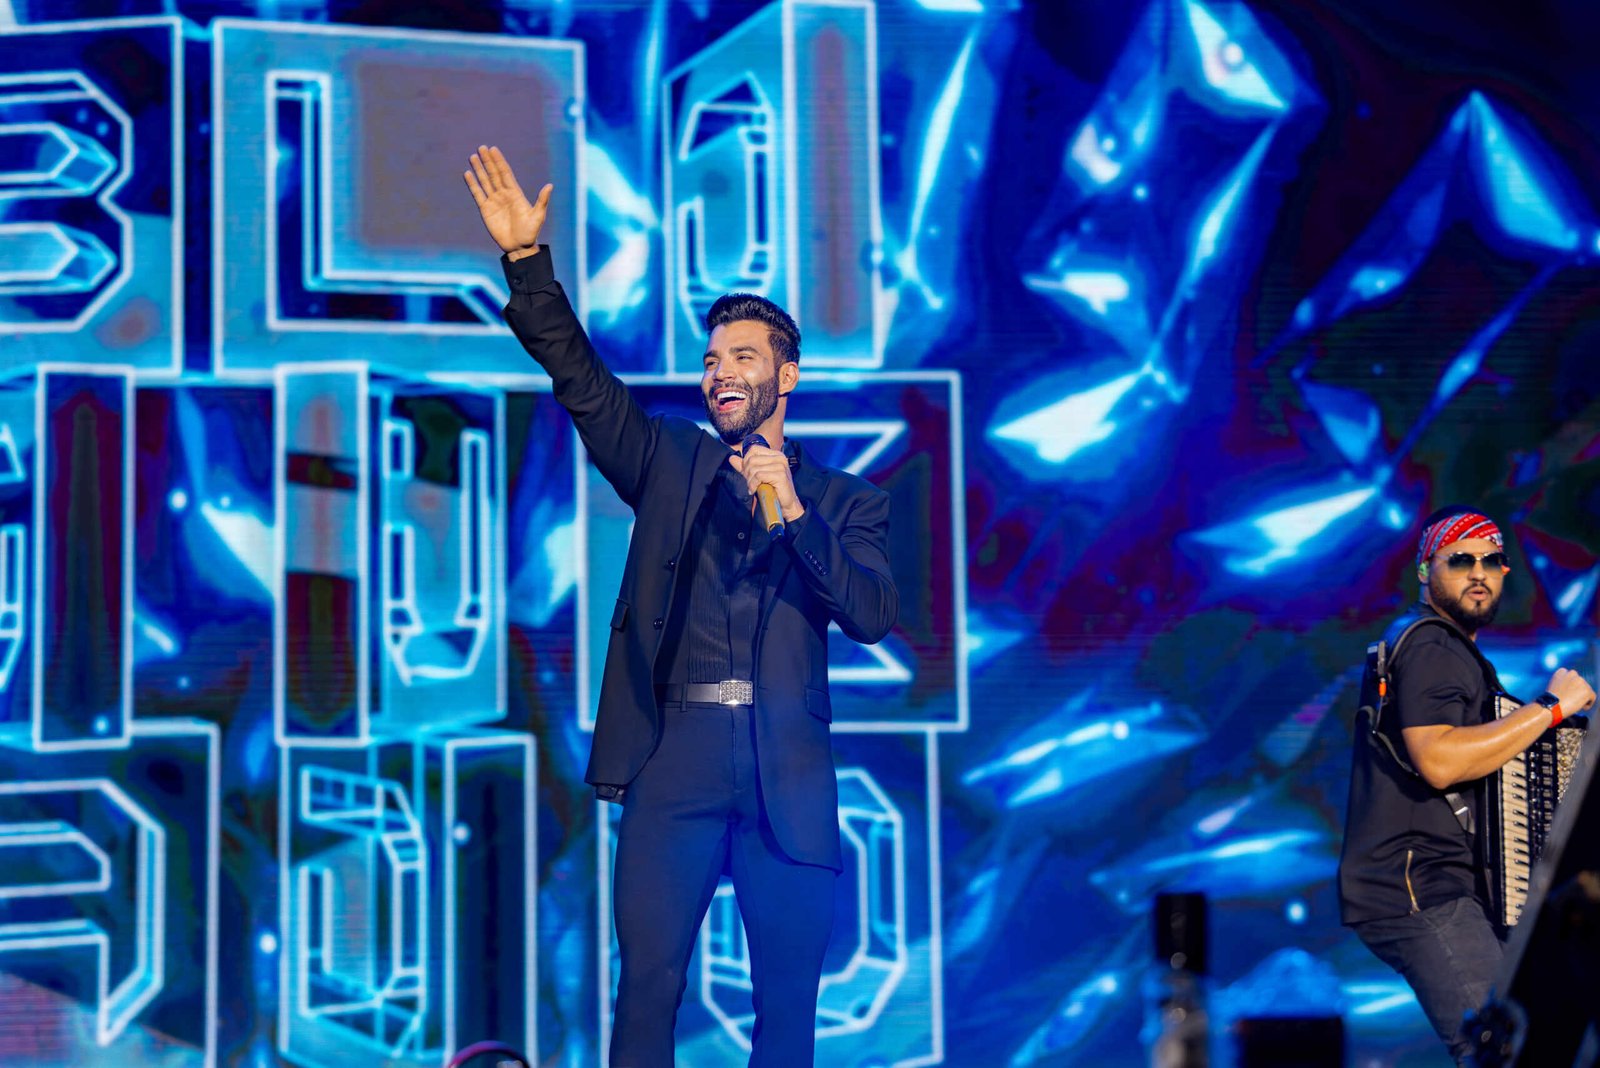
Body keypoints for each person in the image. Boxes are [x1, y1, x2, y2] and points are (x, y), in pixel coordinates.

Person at [463, 146, 898, 1066]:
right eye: (710, 360)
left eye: (743, 356)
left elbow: (868, 613)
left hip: (787, 772)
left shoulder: (847, 501)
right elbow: (582, 384)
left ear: (787, 377)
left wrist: (795, 513)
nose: (719, 372)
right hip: (676, 760)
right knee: (648, 988)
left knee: (788, 1011)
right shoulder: (668, 461)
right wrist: (527, 266)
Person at [1338, 506, 1595, 1063]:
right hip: (1422, 887)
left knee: (1524, 1042)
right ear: (1425, 571)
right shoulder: (1432, 644)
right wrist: (1551, 708)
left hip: (1436, 886)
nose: (1479, 573)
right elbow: (1439, 761)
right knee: (1505, 1053)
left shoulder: (1445, 648)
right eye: (1460, 560)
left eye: (1491, 561)